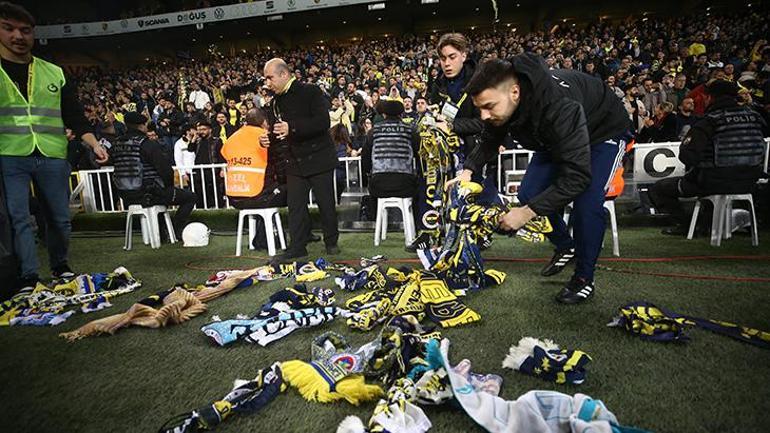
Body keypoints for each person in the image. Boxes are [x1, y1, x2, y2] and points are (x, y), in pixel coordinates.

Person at [453, 55, 631, 304]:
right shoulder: (505, 101)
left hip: (602, 131)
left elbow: (577, 177)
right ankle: (565, 245)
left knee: (586, 203)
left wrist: (526, 213)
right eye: (480, 108)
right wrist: (468, 170)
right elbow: (490, 139)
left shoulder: (559, 107)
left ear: (515, 92)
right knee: (529, 194)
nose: (483, 116)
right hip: (556, 137)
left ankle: (583, 278)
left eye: (489, 106)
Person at [0, 2, 109, 291]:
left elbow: (75, 117)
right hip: (9, 155)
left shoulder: (54, 72)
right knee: (18, 218)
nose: (18, 36)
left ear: (33, 34)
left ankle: (60, 267)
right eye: (8, 28)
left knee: (60, 219)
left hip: (52, 154)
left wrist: (94, 145)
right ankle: (29, 277)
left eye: (25, 30)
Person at [649, 80, 768, 235]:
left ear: (709, 98)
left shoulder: (709, 121)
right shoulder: (756, 117)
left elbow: (687, 155)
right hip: (750, 182)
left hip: (714, 183)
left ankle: (688, 225)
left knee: (659, 189)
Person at [262, 58, 339, 261]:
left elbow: (323, 122)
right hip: (295, 161)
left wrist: (292, 127)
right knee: (295, 205)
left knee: (326, 204)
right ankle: (297, 246)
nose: (267, 83)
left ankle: (331, 242)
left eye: (269, 78)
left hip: (319, 158)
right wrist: (267, 138)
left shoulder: (311, 91)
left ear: (284, 74)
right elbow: (278, 129)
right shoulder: (275, 101)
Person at [413, 32, 484, 251]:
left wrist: (453, 126)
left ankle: (474, 238)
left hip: (470, 152)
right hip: (442, 151)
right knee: (431, 186)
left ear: (464, 55)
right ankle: (430, 233)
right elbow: (436, 115)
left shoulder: (479, 82)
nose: (446, 63)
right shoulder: (438, 84)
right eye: (443, 58)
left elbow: (483, 123)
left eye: (452, 57)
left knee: (464, 197)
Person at [111, 112, 196, 238]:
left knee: (163, 195)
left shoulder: (116, 144)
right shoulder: (147, 144)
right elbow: (165, 170)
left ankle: (161, 232)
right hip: (150, 193)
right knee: (190, 197)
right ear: (141, 126)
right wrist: (169, 187)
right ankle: (175, 230)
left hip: (125, 194)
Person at [221, 108, 286, 209]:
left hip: (233, 197)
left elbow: (223, 153)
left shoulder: (231, 138)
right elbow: (281, 170)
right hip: (258, 195)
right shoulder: (265, 137)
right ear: (264, 122)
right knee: (294, 190)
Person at [361, 98, 420, 199]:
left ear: (384, 114)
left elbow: (365, 158)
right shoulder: (410, 130)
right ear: (401, 114)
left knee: (373, 199)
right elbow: (419, 154)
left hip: (379, 185)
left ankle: (376, 214)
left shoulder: (373, 131)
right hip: (405, 184)